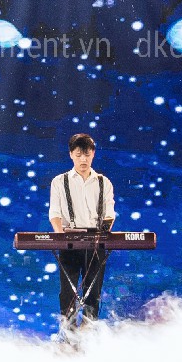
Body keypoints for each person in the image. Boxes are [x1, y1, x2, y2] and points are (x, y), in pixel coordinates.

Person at [48, 132, 116, 331]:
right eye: (78, 155)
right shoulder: (59, 182)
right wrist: (60, 236)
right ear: (71, 155)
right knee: (67, 293)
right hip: (69, 241)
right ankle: (68, 337)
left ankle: (88, 337)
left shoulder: (104, 182)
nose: (83, 159)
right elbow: (55, 212)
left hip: (95, 242)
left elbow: (109, 213)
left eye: (86, 154)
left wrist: (102, 234)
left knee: (92, 293)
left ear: (93, 154)